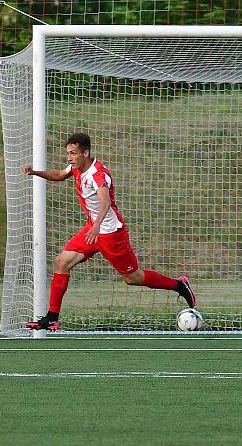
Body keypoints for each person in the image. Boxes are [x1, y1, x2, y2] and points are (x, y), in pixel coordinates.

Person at [23, 132, 196, 331]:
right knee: (62, 261)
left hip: (111, 233)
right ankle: (52, 317)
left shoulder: (98, 175)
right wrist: (35, 172)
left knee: (133, 278)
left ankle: (179, 285)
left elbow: (105, 203)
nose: (69, 157)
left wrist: (97, 226)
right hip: (92, 230)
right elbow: (60, 175)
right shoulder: (77, 167)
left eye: (73, 153)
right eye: (68, 153)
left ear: (85, 153)